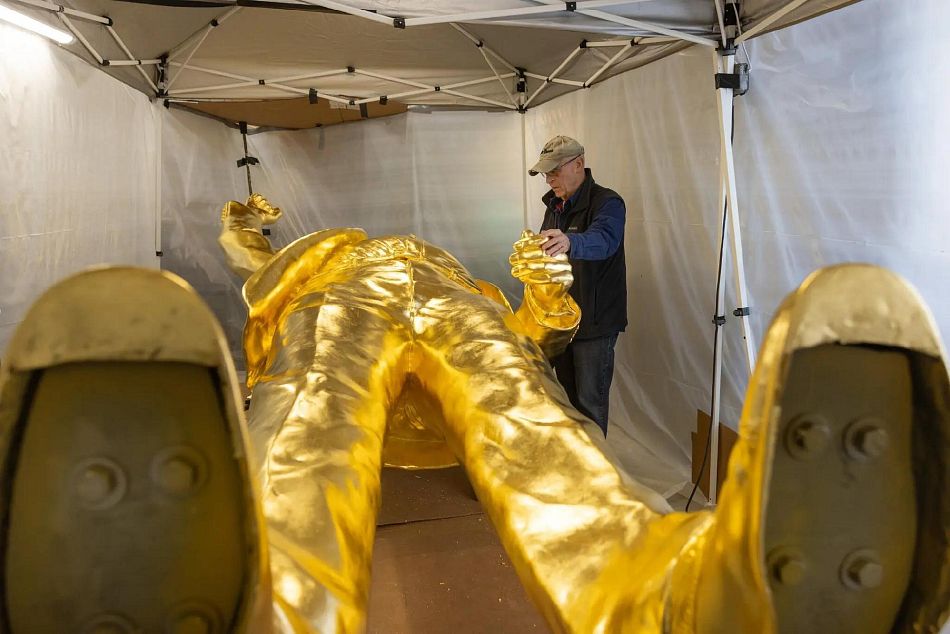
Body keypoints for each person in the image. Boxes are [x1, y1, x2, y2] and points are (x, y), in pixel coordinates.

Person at [0, 194, 947, 634]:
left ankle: (672, 600)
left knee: (529, 411)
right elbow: (256, 267)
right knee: (313, 407)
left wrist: (549, 290)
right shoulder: (328, 261)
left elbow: (542, 335)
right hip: (347, 309)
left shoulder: (458, 273)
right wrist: (242, 231)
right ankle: (259, 591)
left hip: (462, 315)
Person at [529, 135, 626, 435]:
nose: (549, 180)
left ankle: (596, 463)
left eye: (554, 171)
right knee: (567, 402)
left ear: (578, 164)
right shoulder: (554, 206)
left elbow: (604, 240)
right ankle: (577, 459)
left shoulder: (608, 203)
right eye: (546, 174)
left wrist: (570, 241)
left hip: (594, 324)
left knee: (590, 405)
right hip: (562, 323)